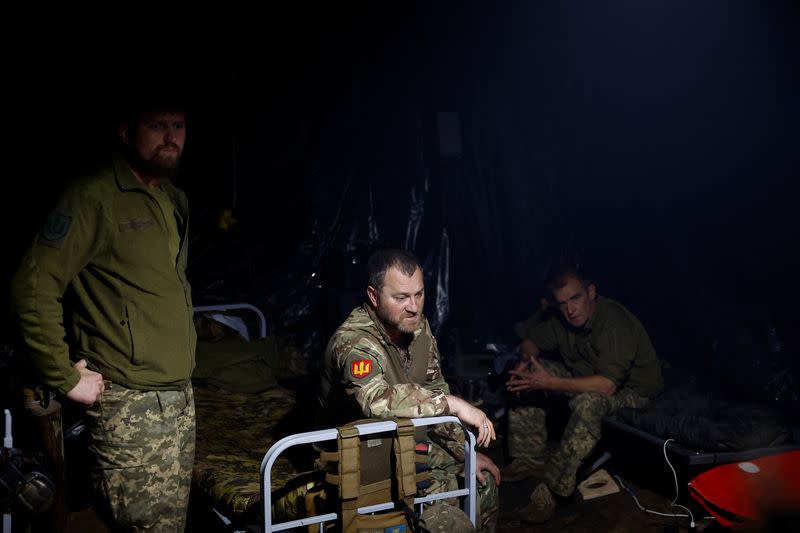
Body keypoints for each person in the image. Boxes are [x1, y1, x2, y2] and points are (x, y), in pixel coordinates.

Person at [9, 96, 196, 531]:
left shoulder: (172, 198)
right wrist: (65, 376)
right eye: (157, 125)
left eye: (179, 125)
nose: (171, 136)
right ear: (127, 133)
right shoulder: (94, 198)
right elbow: (33, 287)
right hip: (132, 406)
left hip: (178, 401)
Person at [318, 248, 501, 531]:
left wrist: (464, 453)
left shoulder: (417, 328)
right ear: (373, 296)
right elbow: (376, 402)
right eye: (401, 297)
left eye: (419, 294)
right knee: (447, 510)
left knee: (482, 482)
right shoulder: (354, 342)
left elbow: (433, 386)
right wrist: (454, 404)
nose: (414, 306)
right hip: (358, 454)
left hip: (408, 440)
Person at [504, 265, 663, 523]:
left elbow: (607, 386)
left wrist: (549, 382)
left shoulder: (613, 321)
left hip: (634, 392)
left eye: (575, 298)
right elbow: (531, 341)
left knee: (588, 403)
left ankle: (553, 491)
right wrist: (526, 359)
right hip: (589, 379)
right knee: (527, 374)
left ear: (590, 292)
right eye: (563, 303)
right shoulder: (562, 319)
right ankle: (527, 458)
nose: (570, 309)